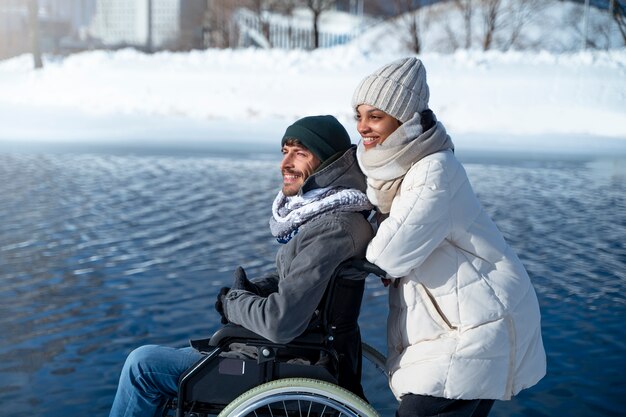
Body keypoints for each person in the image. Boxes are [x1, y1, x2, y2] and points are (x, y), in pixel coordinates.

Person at [108, 115, 374, 417]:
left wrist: (233, 303)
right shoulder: (333, 214)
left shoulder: (334, 227)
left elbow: (280, 322)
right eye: (284, 151)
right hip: (289, 353)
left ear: (330, 163)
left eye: (300, 153)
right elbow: (305, 278)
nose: (285, 163)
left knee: (143, 366)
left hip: (287, 362)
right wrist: (259, 288)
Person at [351, 57, 546, 417]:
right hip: (452, 323)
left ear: (403, 118)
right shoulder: (400, 171)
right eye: (358, 116)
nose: (363, 127)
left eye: (374, 116)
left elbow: (388, 253)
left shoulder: (434, 170)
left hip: (481, 324)